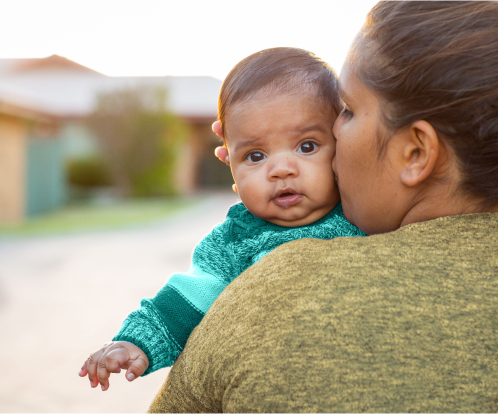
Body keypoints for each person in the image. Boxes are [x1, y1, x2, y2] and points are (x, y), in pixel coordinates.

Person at [149, 1, 498, 412]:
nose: (332, 133)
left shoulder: (275, 291)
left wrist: (256, 160)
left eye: (347, 110)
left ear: (416, 153)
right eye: (257, 155)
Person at [78, 48, 366, 391]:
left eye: (306, 146)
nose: (281, 169)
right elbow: (186, 299)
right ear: (229, 164)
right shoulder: (234, 241)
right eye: (255, 156)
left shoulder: (364, 212)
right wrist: (135, 342)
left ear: (342, 145)